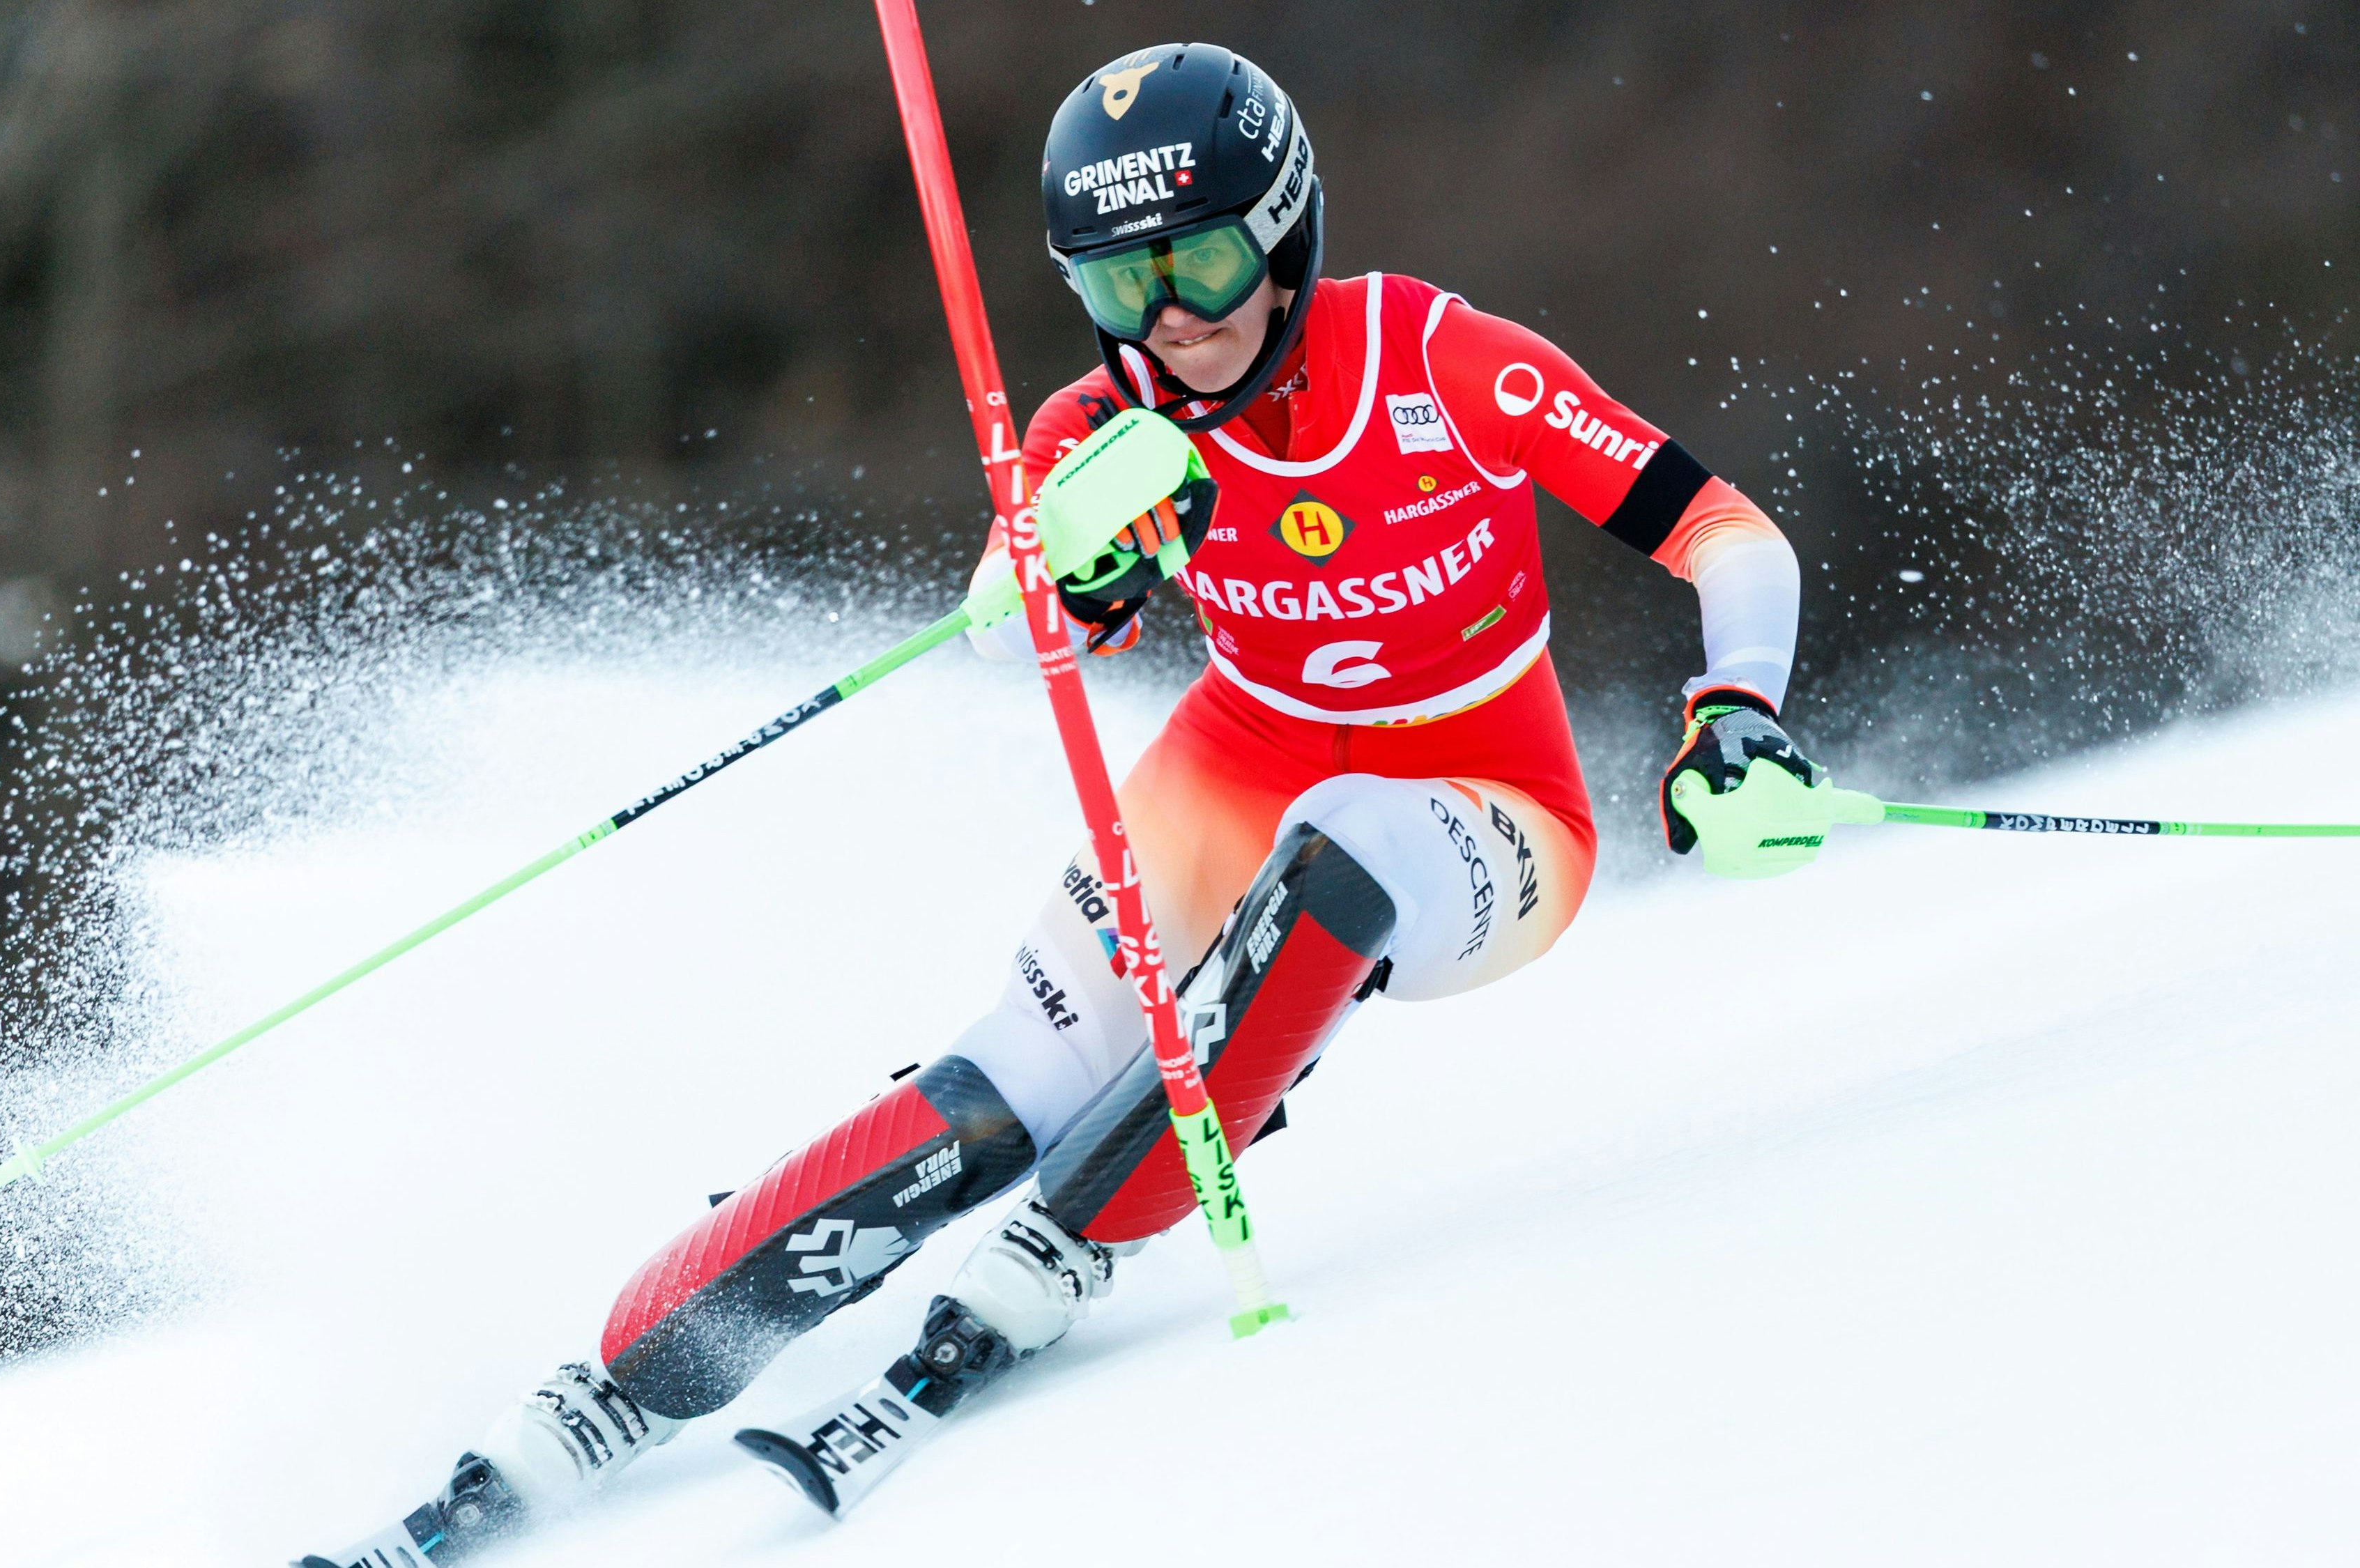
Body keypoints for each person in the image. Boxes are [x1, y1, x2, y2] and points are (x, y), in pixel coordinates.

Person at [305, 40, 1818, 1567]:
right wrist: (1071, 572)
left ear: (1283, 233)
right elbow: (1009, 614)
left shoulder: (1437, 359)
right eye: (1117, 285)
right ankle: (618, 1384)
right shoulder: (1098, 432)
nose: (1171, 321)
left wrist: (1737, 710)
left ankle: (1064, 1242)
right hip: (1239, 763)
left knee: (1345, 856)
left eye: (1201, 266)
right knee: (1002, 1089)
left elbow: (1719, 526)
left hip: (1490, 799)